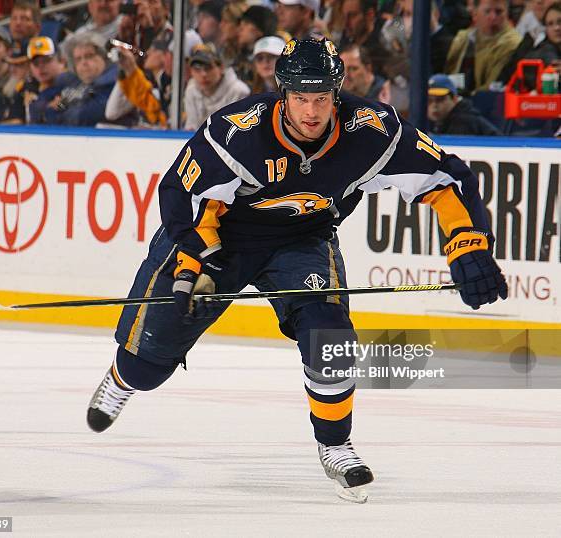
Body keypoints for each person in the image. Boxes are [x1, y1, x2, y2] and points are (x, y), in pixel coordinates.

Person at [85, 37, 508, 503]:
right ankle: (122, 380)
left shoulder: (374, 131)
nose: (311, 111)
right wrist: (191, 267)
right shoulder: (235, 133)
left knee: (329, 334)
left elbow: (445, 179)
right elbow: (187, 199)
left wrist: (469, 248)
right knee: (146, 366)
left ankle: (336, 445)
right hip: (221, 240)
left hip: (302, 240)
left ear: (337, 93)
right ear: (282, 92)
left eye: (322, 98)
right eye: (301, 98)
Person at [445, 0, 522, 93]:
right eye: (487, 11)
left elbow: (491, 87)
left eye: (499, 12)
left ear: (507, 14)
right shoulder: (463, 38)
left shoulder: (512, 43)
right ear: (475, 14)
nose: (493, 17)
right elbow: (448, 71)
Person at [45, 32, 118, 126]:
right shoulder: (70, 81)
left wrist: (53, 112)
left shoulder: (113, 82)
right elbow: (40, 108)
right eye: (78, 59)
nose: (84, 62)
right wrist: (51, 109)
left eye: (89, 56)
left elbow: (83, 116)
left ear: (103, 57)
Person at [183, 43, 250, 130]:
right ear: (191, 71)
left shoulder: (239, 91)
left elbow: (238, 130)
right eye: (197, 69)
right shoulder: (191, 90)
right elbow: (191, 127)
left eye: (208, 68)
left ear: (221, 68)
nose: (203, 74)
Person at [25, 36, 79, 124]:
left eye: (46, 61)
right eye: (36, 63)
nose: (41, 67)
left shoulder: (71, 82)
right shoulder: (29, 87)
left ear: (62, 62)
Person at [427, 74, 501, 135]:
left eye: (440, 99)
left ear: (454, 99)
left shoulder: (463, 121)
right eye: (429, 101)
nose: (434, 105)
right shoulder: (442, 121)